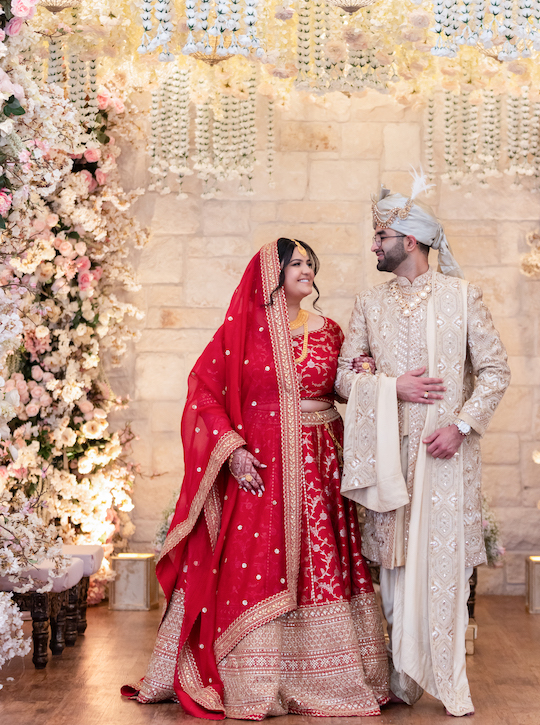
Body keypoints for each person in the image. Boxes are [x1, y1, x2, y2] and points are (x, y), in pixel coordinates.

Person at [122, 238, 388, 720]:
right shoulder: (245, 331)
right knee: (258, 561)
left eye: (311, 263)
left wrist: (366, 374)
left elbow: (346, 384)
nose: (307, 270)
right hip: (264, 466)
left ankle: (332, 678)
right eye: (297, 264)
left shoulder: (330, 330)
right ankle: (253, 678)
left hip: (323, 462)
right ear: (272, 275)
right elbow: (203, 390)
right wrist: (235, 450)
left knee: (322, 563)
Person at [336, 178, 511, 718]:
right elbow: (342, 378)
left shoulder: (462, 298)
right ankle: (402, 679)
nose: (373, 245)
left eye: (380, 234)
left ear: (409, 240)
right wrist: (391, 386)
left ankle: (448, 679)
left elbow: (495, 372)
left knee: (445, 572)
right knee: (392, 572)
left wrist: (460, 425)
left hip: (445, 459)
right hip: (389, 457)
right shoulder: (368, 303)